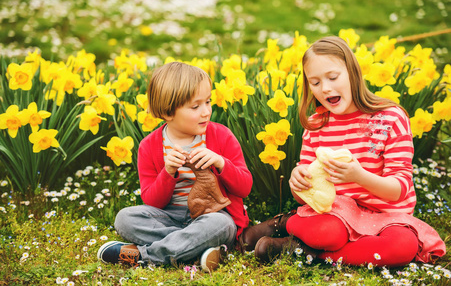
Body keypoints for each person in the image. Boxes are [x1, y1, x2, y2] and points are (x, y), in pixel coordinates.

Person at [241, 36, 446, 267]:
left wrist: (358, 176)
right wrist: (297, 183)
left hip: (388, 217)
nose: (325, 88)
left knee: (401, 247)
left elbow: (398, 190)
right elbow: (306, 195)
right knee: (328, 233)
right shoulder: (317, 124)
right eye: (315, 82)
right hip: (336, 214)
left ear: (353, 72)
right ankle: (285, 224)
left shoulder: (390, 118)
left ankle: (301, 249)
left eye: (333, 77)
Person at [97, 62, 253, 271]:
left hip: (212, 215)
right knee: (125, 218)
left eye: (208, 102)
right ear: (169, 112)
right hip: (169, 217)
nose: (206, 111)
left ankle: (144, 256)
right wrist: (168, 172)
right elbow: (152, 201)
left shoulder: (221, 136)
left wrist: (220, 162)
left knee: (221, 226)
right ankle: (197, 249)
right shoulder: (149, 146)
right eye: (195, 106)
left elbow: (244, 188)